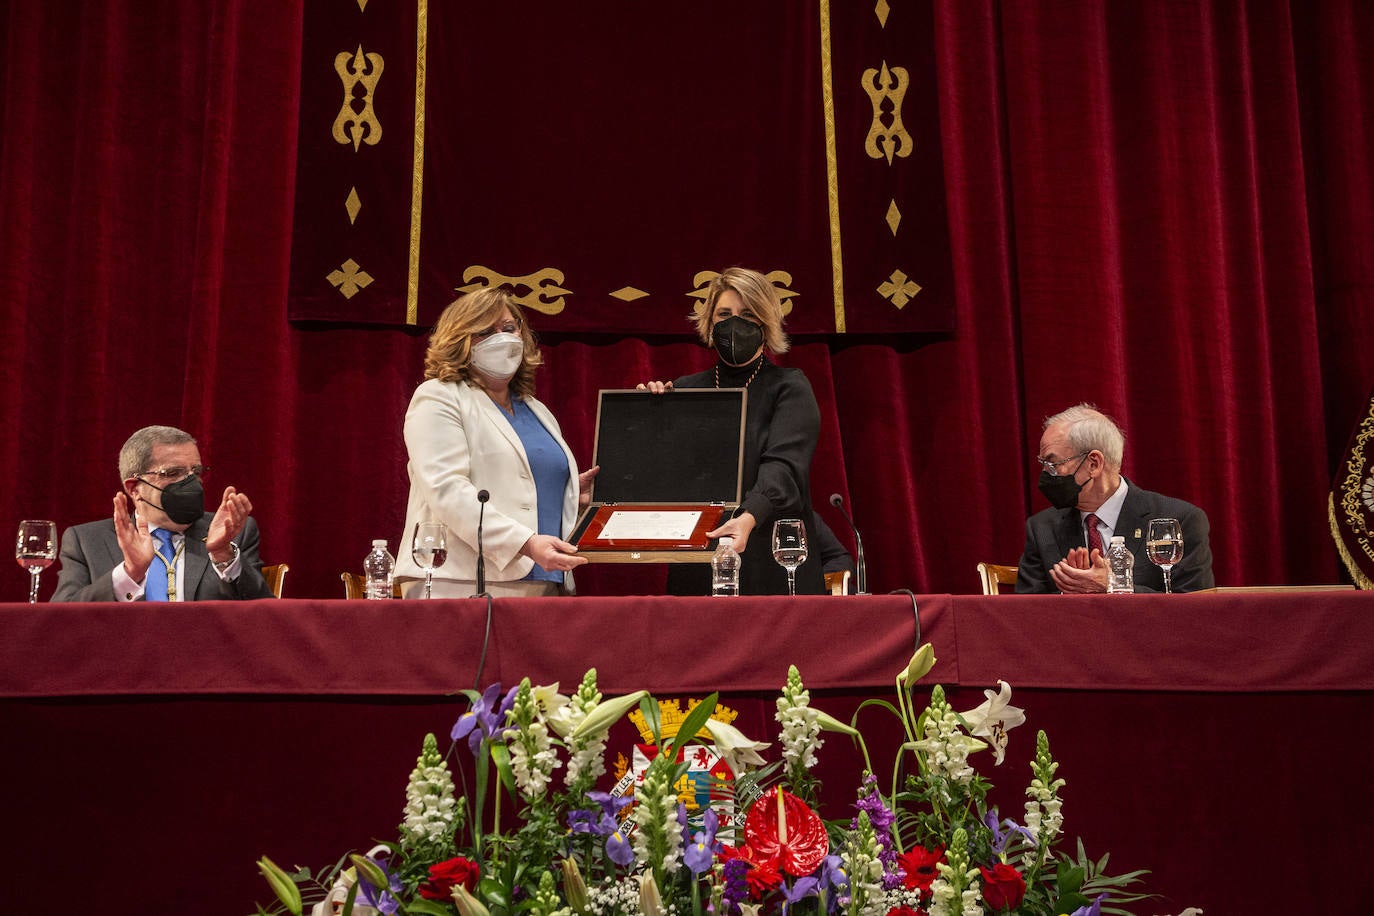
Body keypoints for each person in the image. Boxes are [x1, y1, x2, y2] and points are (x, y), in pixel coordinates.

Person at [396, 286, 597, 597]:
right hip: (461, 581)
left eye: (509, 328)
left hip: (545, 581)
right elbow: (447, 489)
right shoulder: (439, 396)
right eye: (485, 332)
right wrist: (526, 543)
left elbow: (523, 486)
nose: (502, 338)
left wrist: (569, 494)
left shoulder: (536, 409)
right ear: (459, 340)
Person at [640, 267, 824, 596]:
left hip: (770, 558)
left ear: (766, 323)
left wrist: (749, 516)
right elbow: (664, 478)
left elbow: (784, 468)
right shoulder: (684, 390)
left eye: (748, 315)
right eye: (724, 314)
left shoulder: (789, 387)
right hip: (698, 559)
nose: (734, 324)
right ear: (710, 322)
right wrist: (647, 420)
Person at [52, 425, 275, 602]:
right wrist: (129, 574)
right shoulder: (87, 541)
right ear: (134, 488)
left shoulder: (231, 534)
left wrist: (223, 555)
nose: (190, 483)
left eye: (195, 472)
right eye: (173, 473)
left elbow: (265, 617)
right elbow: (62, 620)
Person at [1016, 403, 1214, 594]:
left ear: (1093, 464)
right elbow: (1025, 609)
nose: (1045, 474)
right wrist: (1070, 597)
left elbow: (1193, 606)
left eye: (1053, 464)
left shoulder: (1180, 520)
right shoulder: (1042, 529)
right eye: (1043, 464)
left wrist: (1115, 586)